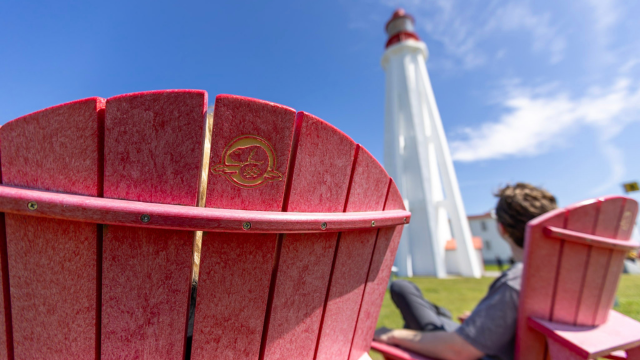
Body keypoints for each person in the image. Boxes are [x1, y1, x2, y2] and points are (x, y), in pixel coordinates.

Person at [374, 183, 557, 360]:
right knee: (405, 290)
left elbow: (458, 350)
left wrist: (394, 335)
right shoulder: (560, 277)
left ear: (502, 229)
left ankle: (439, 315)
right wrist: (486, 319)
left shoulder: (516, 282)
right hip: (489, 342)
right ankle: (440, 315)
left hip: (467, 348)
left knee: (401, 288)